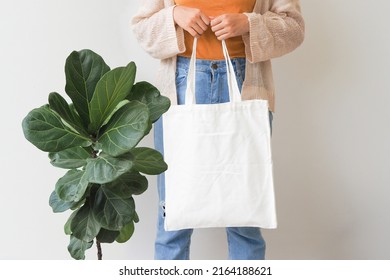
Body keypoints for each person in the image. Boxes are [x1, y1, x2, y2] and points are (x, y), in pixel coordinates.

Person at [132, 0, 304, 260]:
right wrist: (175, 15)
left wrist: (249, 23)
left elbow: (294, 28)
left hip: (246, 82)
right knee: (173, 218)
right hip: (179, 85)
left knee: (246, 218)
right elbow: (141, 28)